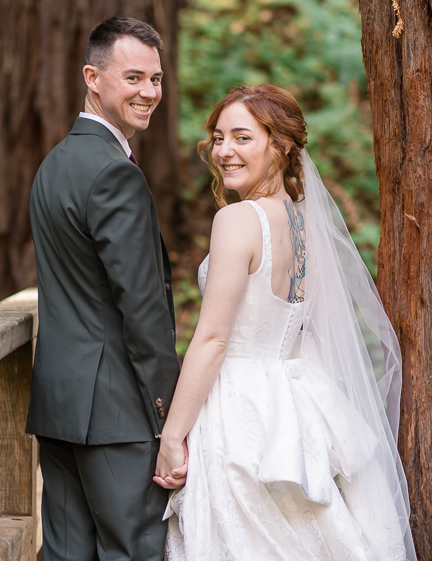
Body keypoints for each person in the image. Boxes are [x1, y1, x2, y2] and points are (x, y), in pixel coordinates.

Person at [154, 85, 416, 560]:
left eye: (242, 137)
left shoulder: (237, 221)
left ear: (281, 147)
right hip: (294, 401)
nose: (224, 151)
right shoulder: (303, 222)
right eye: (218, 138)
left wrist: (172, 436)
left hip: (239, 406)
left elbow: (213, 339)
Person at [27, 16, 181, 561]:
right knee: (132, 552)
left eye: (156, 80)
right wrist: (170, 418)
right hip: (117, 411)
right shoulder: (115, 173)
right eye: (133, 77)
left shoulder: (54, 165)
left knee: (66, 556)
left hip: (59, 404)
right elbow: (142, 309)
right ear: (92, 77)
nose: (149, 92)